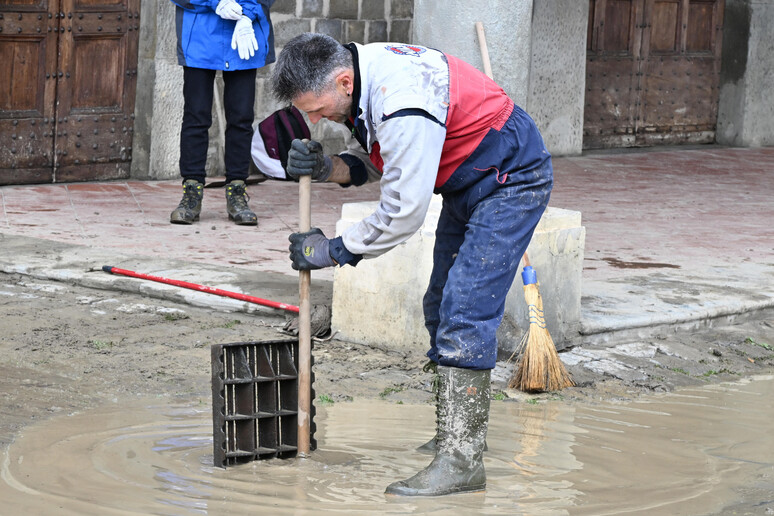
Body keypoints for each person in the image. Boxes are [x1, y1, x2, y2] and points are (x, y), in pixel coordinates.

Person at [271, 33, 553, 496]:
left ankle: (462, 460)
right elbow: (384, 162)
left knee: (464, 310)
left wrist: (333, 250)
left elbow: (403, 211)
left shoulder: (400, 99)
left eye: (318, 110)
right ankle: (452, 434)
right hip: (466, 181)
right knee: (440, 304)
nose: (316, 121)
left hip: (511, 179)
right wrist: (328, 168)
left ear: (343, 82)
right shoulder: (362, 77)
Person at [169, 0, 275, 225]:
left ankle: (237, 191)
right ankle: (191, 191)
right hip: (200, 34)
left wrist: (248, 14)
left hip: (244, 32)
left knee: (241, 118)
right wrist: (215, 2)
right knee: (196, 117)